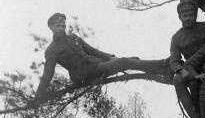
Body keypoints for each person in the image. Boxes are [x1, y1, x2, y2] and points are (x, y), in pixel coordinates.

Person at [34, 13, 170, 102]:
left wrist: (110, 58)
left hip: (95, 66)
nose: (62, 28)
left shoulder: (73, 37)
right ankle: (163, 65)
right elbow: (48, 74)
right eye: (58, 26)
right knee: (125, 62)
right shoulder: (51, 50)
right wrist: (39, 94)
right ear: (51, 27)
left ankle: (159, 69)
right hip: (84, 75)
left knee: (131, 60)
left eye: (63, 25)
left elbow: (92, 51)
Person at [170, 0, 205, 118]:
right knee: (177, 79)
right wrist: (181, 71)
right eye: (184, 15)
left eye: (191, 15)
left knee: (195, 85)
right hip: (191, 67)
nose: (188, 18)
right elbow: (175, 59)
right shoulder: (177, 37)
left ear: (195, 15)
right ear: (179, 17)